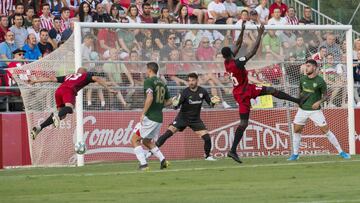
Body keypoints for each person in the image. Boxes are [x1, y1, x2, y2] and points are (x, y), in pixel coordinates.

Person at [221, 22, 307, 163]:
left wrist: (242, 30)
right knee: (243, 123)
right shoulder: (237, 63)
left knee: (271, 90)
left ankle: (297, 100)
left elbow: (237, 44)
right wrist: (260, 34)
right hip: (243, 94)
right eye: (233, 50)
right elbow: (252, 52)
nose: (235, 49)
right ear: (231, 54)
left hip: (246, 89)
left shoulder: (227, 62)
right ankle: (232, 150)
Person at [29, 67, 118, 139]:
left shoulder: (69, 76)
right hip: (68, 91)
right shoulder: (85, 75)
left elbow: (52, 79)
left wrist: (35, 81)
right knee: (70, 108)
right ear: (84, 72)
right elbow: (97, 78)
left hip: (58, 91)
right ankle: (55, 115)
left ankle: (39, 127)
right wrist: (108, 89)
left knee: (62, 116)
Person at [288, 59, 350, 161]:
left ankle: (341, 152)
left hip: (315, 111)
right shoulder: (302, 79)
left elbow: (326, 96)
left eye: (308, 66)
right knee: (296, 130)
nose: (306, 68)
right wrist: (298, 100)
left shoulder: (320, 81)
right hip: (302, 110)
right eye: (305, 66)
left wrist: (318, 102)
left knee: (326, 130)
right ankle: (295, 154)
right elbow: (300, 90)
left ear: (314, 68)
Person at [154, 73, 221, 161]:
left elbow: (210, 104)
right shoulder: (184, 92)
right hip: (182, 118)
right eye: (189, 81)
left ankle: (207, 156)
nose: (191, 82)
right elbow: (176, 107)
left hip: (195, 120)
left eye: (193, 80)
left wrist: (214, 102)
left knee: (207, 138)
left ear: (197, 81)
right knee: (167, 134)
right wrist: (175, 104)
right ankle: (151, 152)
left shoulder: (203, 91)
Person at [131, 62, 172, 170]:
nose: (145, 71)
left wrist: (143, 113)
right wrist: (159, 105)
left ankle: (143, 165)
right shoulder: (162, 83)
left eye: (146, 69)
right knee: (147, 141)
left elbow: (149, 98)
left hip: (150, 117)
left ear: (149, 70)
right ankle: (163, 161)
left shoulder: (148, 81)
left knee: (134, 139)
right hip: (159, 118)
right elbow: (170, 101)